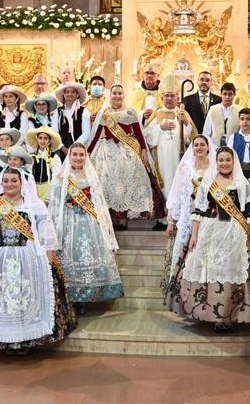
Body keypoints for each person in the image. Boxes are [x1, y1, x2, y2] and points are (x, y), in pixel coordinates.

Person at [0, 168, 77, 354]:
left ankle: (25, 340)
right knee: (1, 298)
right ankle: (3, 339)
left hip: (27, 257)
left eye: (13, 181)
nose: (9, 184)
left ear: (22, 183)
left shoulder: (34, 204)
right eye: (6, 181)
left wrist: (49, 256)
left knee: (23, 298)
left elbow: (46, 231)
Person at [176, 147, 250, 332]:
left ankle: (230, 315)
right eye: (221, 160)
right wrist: (195, 235)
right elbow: (198, 211)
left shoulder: (242, 184)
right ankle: (214, 316)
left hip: (234, 234)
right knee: (212, 269)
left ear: (233, 161)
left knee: (231, 269)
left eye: (227, 160)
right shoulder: (209, 182)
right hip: (211, 231)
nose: (224, 163)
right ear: (216, 162)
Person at [49, 143, 124, 312]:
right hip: (69, 221)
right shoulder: (61, 176)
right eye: (74, 154)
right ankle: (72, 299)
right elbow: (54, 202)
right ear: (69, 156)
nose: (78, 157)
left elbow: (99, 202)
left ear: (86, 156)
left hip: (90, 222)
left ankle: (89, 295)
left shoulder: (92, 174)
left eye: (81, 154)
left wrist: (104, 224)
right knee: (72, 256)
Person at [88, 84, 164, 227]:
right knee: (107, 179)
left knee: (131, 177)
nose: (117, 96)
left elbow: (138, 132)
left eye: (119, 93)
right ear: (110, 95)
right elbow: (97, 134)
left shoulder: (130, 112)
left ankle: (128, 212)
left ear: (123, 95)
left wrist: (143, 149)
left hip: (128, 150)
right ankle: (111, 215)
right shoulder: (104, 113)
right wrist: (89, 152)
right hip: (107, 150)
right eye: (114, 93)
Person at [162, 135, 214, 313]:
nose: (199, 148)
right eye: (196, 145)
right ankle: (178, 294)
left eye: (202, 145)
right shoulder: (185, 168)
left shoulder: (214, 169)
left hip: (207, 217)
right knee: (183, 249)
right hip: (186, 215)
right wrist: (171, 221)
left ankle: (201, 294)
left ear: (208, 147)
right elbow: (176, 194)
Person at [144, 75, 197, 228]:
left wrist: (186, 122)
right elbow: (147, 135)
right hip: (160, 157)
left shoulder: (182, 113)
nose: (169, 99)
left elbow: (191, 138)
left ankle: (176, 217)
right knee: (163, 185)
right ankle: (162, 219)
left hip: (178, 158)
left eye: (172, 95)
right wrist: (160, 128)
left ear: (177, 97)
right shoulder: (157, 114)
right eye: (166, 95)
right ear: (162, 97)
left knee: (177, 183)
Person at [25, 126, 64, 201]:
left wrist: (50, 195)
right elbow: (29, 176)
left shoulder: (53, 157)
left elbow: (57, 177)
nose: (42, 141)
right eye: (40, 138)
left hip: (48, 191)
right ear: (37, 139)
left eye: (45, 138)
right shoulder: (32, 156)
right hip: (34, 191)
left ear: (49, 141)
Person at [55, 82, 91, 155]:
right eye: (67, 92)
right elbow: (54, 132)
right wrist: (62, 147)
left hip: (79, 149)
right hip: (62, 150)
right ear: (64, 94)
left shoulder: (84, 111)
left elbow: (86, 132)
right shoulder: (58, 111)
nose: (70, 94)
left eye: (73, 92)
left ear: (77, 95)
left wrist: (74, 147)